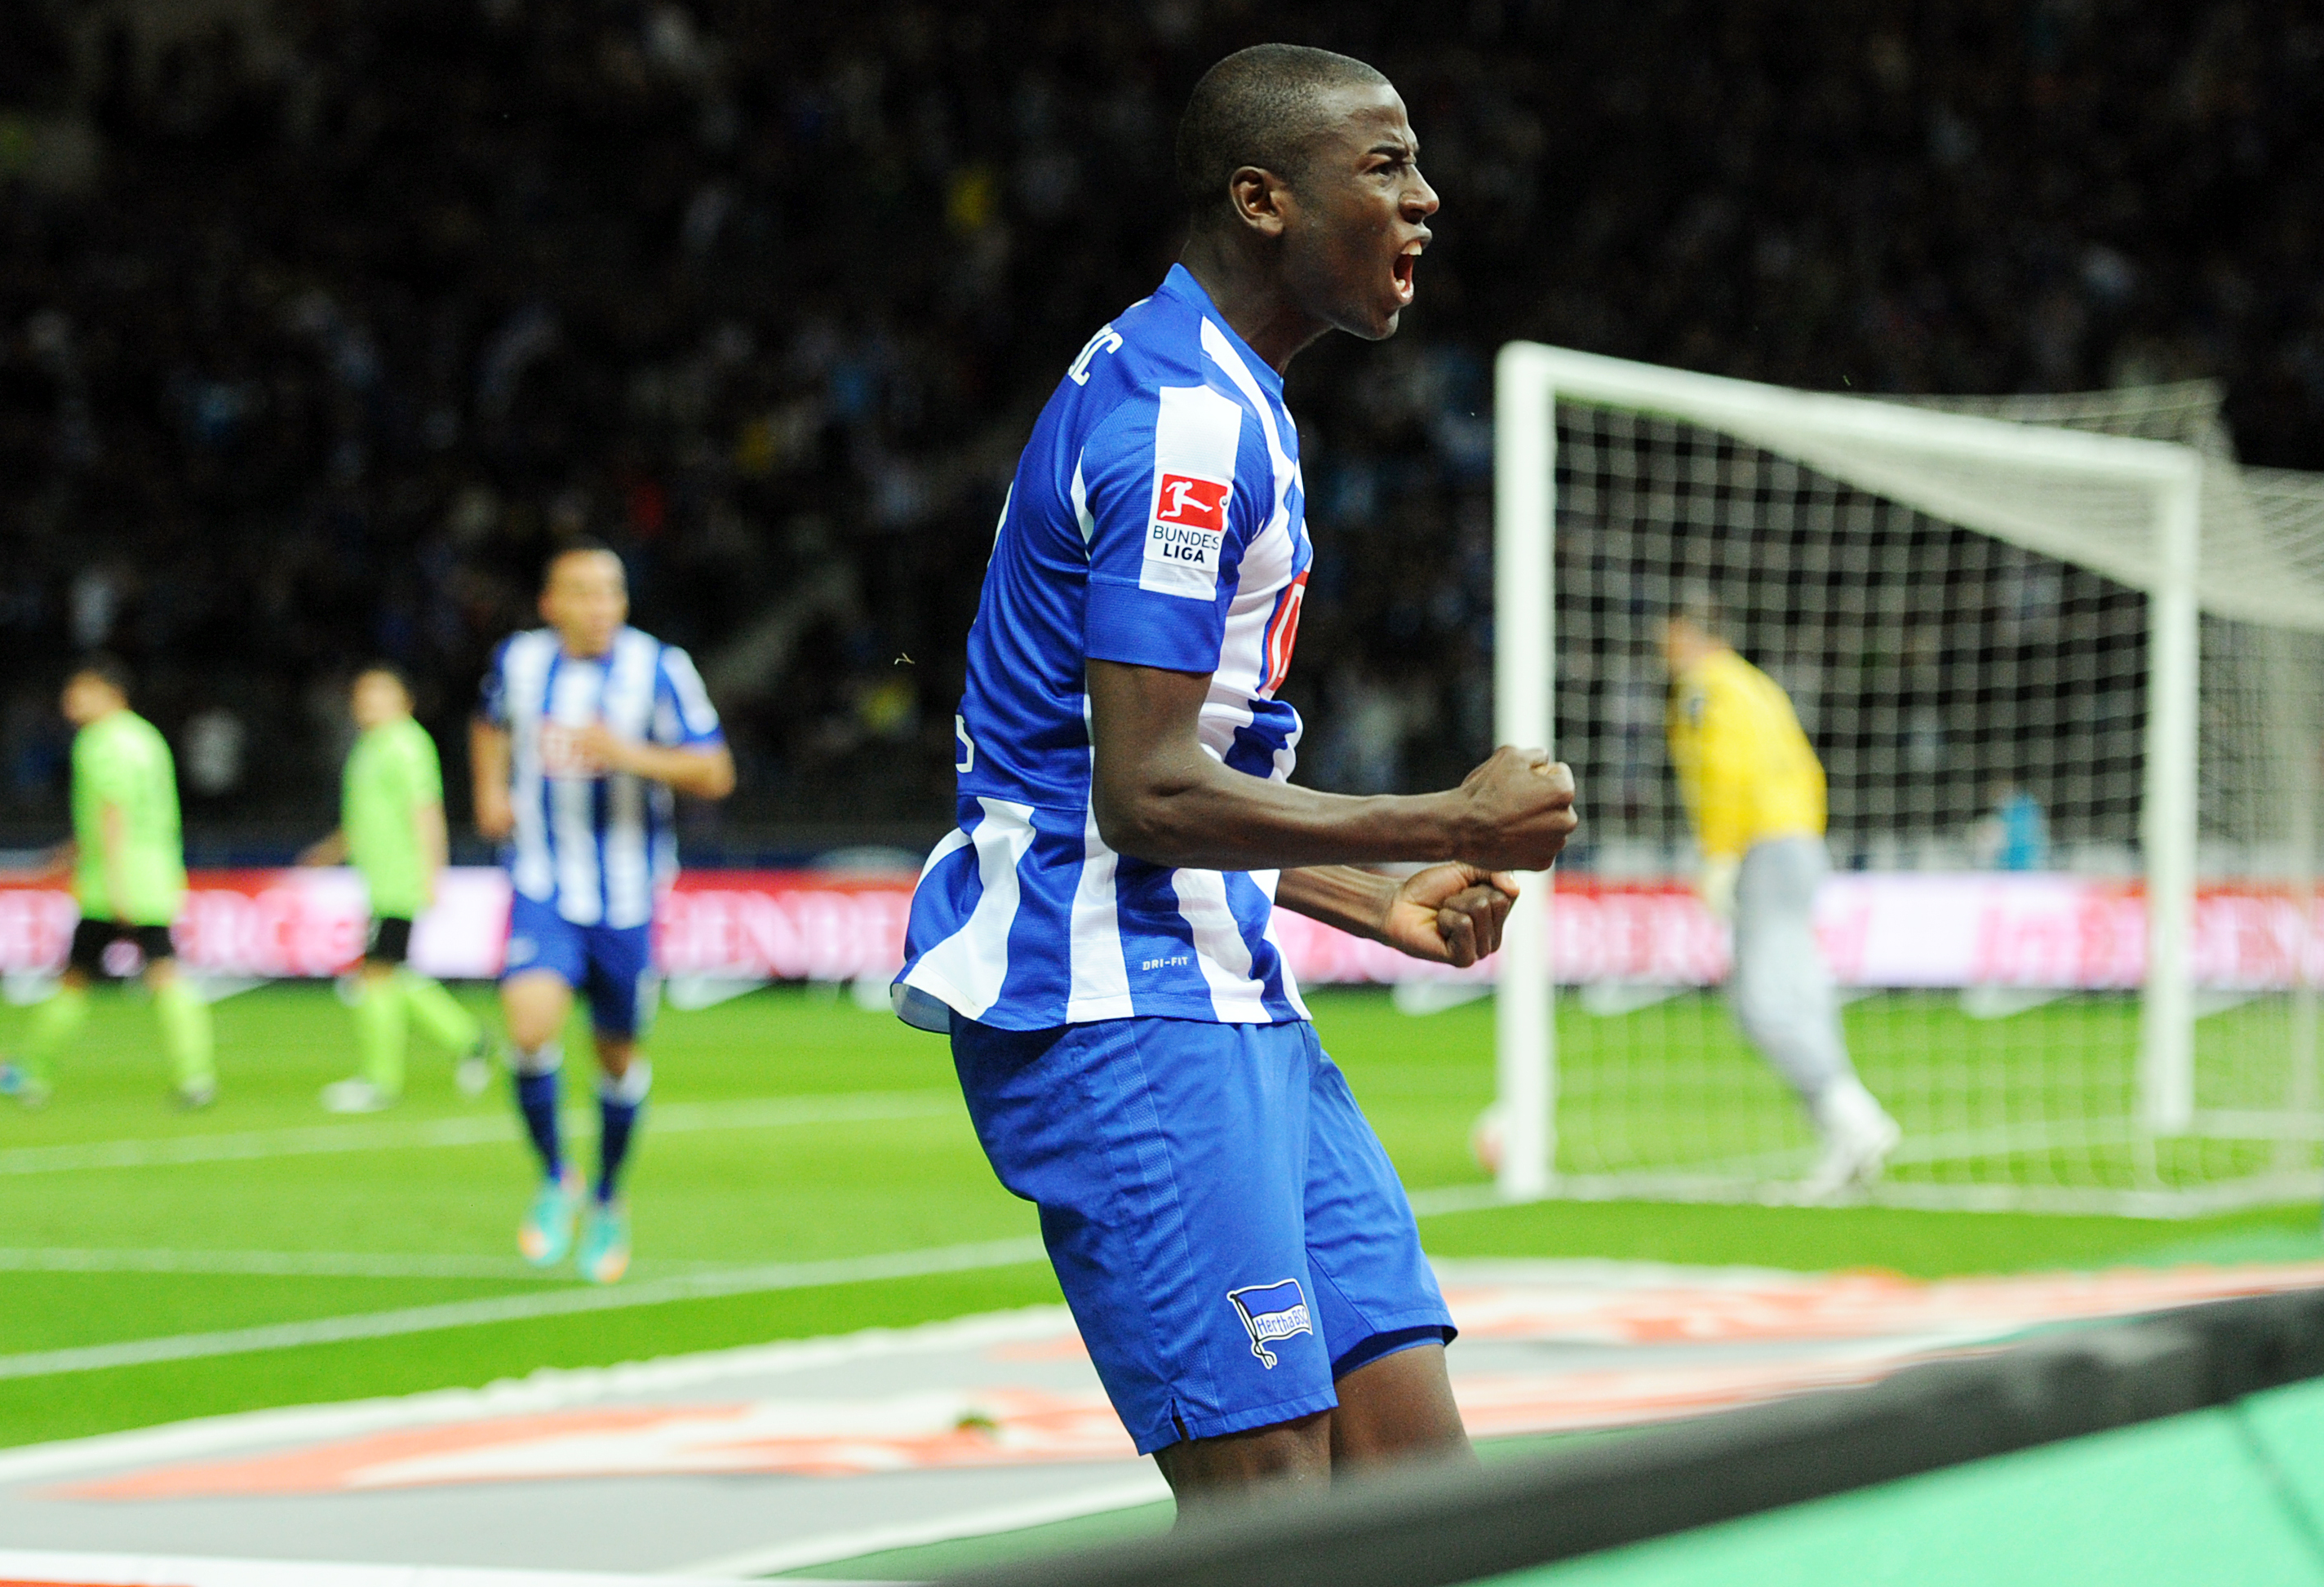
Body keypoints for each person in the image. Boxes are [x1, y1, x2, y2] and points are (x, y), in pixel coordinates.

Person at [891, 44, 1577, 1514]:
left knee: (1413, 1484)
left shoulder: (1218, 391)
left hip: (1225, 986)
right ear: (1261, 199)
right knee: (1270, 1510)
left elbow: (1161, 780)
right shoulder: (1183, 430)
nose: (1426, 198)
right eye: (1384, 165)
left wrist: (1373, 899)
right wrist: (1448, 817)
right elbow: (1144, 794)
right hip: (1111, 1005)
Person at [471, 543, 734, 1283]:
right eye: (582, 592)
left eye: (611, 592)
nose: (599, 606)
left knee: (616, 1055)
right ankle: (559, 1177)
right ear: (551, 603)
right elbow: (488, 723)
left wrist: (629, 754)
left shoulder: (660, 668)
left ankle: (611, 1197)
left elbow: (715, 770)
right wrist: (490, 790)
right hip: (543, 881)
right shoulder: (520, 661)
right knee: (528, 1028)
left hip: (625, 892)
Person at [1663, 601, 1900, 1196]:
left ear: (1690, 633)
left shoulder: (1705, 689)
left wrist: (1720, 851)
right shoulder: (1758, 685)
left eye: (1668, 634)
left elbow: (1725, 769)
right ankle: (1845, 1138)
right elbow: (1803, 766)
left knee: (1761, 1005)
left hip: (1761, 845)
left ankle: (1855, 1115)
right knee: (1801, 993)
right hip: (1800, 839)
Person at [0, 658, 215, 1107]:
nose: (69, 701)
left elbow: (113, 813)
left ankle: (31, 1075)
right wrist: (70, 852)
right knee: (165, 973)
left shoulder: (100, 741)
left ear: (111, 693)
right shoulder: (147, 738)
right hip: (155, 875)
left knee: (76, 978)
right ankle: (196, 1076)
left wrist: (114, 884)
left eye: (81, 692)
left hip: (114, 883)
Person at [298, 663, 495, 1113]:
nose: (369, 703)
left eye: (380, 694)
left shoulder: (405, 744)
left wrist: (433, 871)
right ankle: (469, 1038)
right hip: (379, 880)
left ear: (405, 700)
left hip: (399, 880)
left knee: (375, 975)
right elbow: (363, 820)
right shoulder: (369, 747)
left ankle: (380, 1081)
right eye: (364, 694)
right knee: (390, 973)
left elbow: (424, 809)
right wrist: (328, 853)